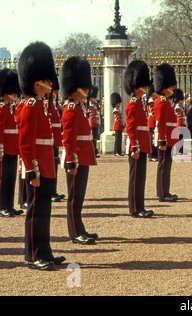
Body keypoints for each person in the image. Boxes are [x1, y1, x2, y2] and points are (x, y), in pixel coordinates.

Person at [18, 41, 65, 270]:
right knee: (35, 211)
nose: (50, 82)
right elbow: (26, 143)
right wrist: (32, 170)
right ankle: (34, 254)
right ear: (35, 80)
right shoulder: (29, 106)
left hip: (46, 165)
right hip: (37, 167)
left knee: (44, 210)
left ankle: (45, 251)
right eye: (46, 79)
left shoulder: (41, 106)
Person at [61, 56, 98, 245]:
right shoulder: (71, 108)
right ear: (75, 87)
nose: (86, 89)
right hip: (76, 157)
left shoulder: (80, 107)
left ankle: (80, 227)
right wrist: (71, 160)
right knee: (74, 197)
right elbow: (68, 138)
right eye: (83, 87)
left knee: (80, 196)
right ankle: (75, 232)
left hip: (83, 154)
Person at [124, 60, 154, 218]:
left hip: (142, 143)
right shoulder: (132, 104)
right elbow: (131, 128)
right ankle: (135, 208)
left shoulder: (140, 103)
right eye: (143, 85)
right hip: (136, 145)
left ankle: (140, 206)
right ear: (136, 86)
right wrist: (134, 146)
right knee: (135, 178)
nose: (146, 87)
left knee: (141, 177)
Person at [153, 63, 179, 202]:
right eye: (171, 85)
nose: (173, 88)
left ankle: (165, 191)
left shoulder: (166, 101)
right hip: (165, 138)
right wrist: (162, 140)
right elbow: (161, 123)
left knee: (167, 165)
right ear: (164, 86)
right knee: (163, 166)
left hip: (168, 137)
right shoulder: (162, 102)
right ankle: (162, 194)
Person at [0, 68, 22, 217]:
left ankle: (9, 205)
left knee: (11, 178)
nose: (15, 94)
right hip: (5, 150)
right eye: (13, 91)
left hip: (12, 150)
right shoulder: (2, 109)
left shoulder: (9, 108)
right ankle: (2, 206)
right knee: (3, 179)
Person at [45, 78, 65, 203]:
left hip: (54, 141)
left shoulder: (52, 104)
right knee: (49, 167)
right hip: (49, 141)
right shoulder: (45, 104)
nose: (56, 92)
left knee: (54, 166)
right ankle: (49, 191)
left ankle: (53, 190)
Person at [146, 83, 159, 161]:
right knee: (152, 139)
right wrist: (157, 119)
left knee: (155, 138)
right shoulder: (151, 101)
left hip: (154, 121)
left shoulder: (154, 100)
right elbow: (153, 113)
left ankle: (154, 154)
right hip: (152, 121)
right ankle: (152, 155)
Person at [172, 88, 187, 155]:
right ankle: (179, 150)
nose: (182, 101)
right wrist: (183, 123)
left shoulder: (181, 106)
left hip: (182, 124)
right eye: (181, 99)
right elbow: (179, 117)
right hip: (179, 124)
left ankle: (181, 150)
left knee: (181, 138)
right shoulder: (177, 106)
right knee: (179, 138)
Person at [88, 86, 101, 158]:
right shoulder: (90, 106)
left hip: (95, 124)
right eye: (93, 97)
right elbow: (92, 116)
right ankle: (93, 153)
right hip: (92, 124)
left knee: (95, 139)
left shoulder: (94, 106)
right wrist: (96, 122)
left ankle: (95, 152)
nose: (95, 99)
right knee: (93, 139)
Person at [112, 92, 125, 156]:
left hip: (119, 126)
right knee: (117, 140)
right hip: (117, 126)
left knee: (119, 139)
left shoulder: (118, 110)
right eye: (118, 103)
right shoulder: (115, 110)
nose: (119, 104)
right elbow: (118, 119)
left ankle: (119, 151)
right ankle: (116, 152)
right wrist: (122, 124)